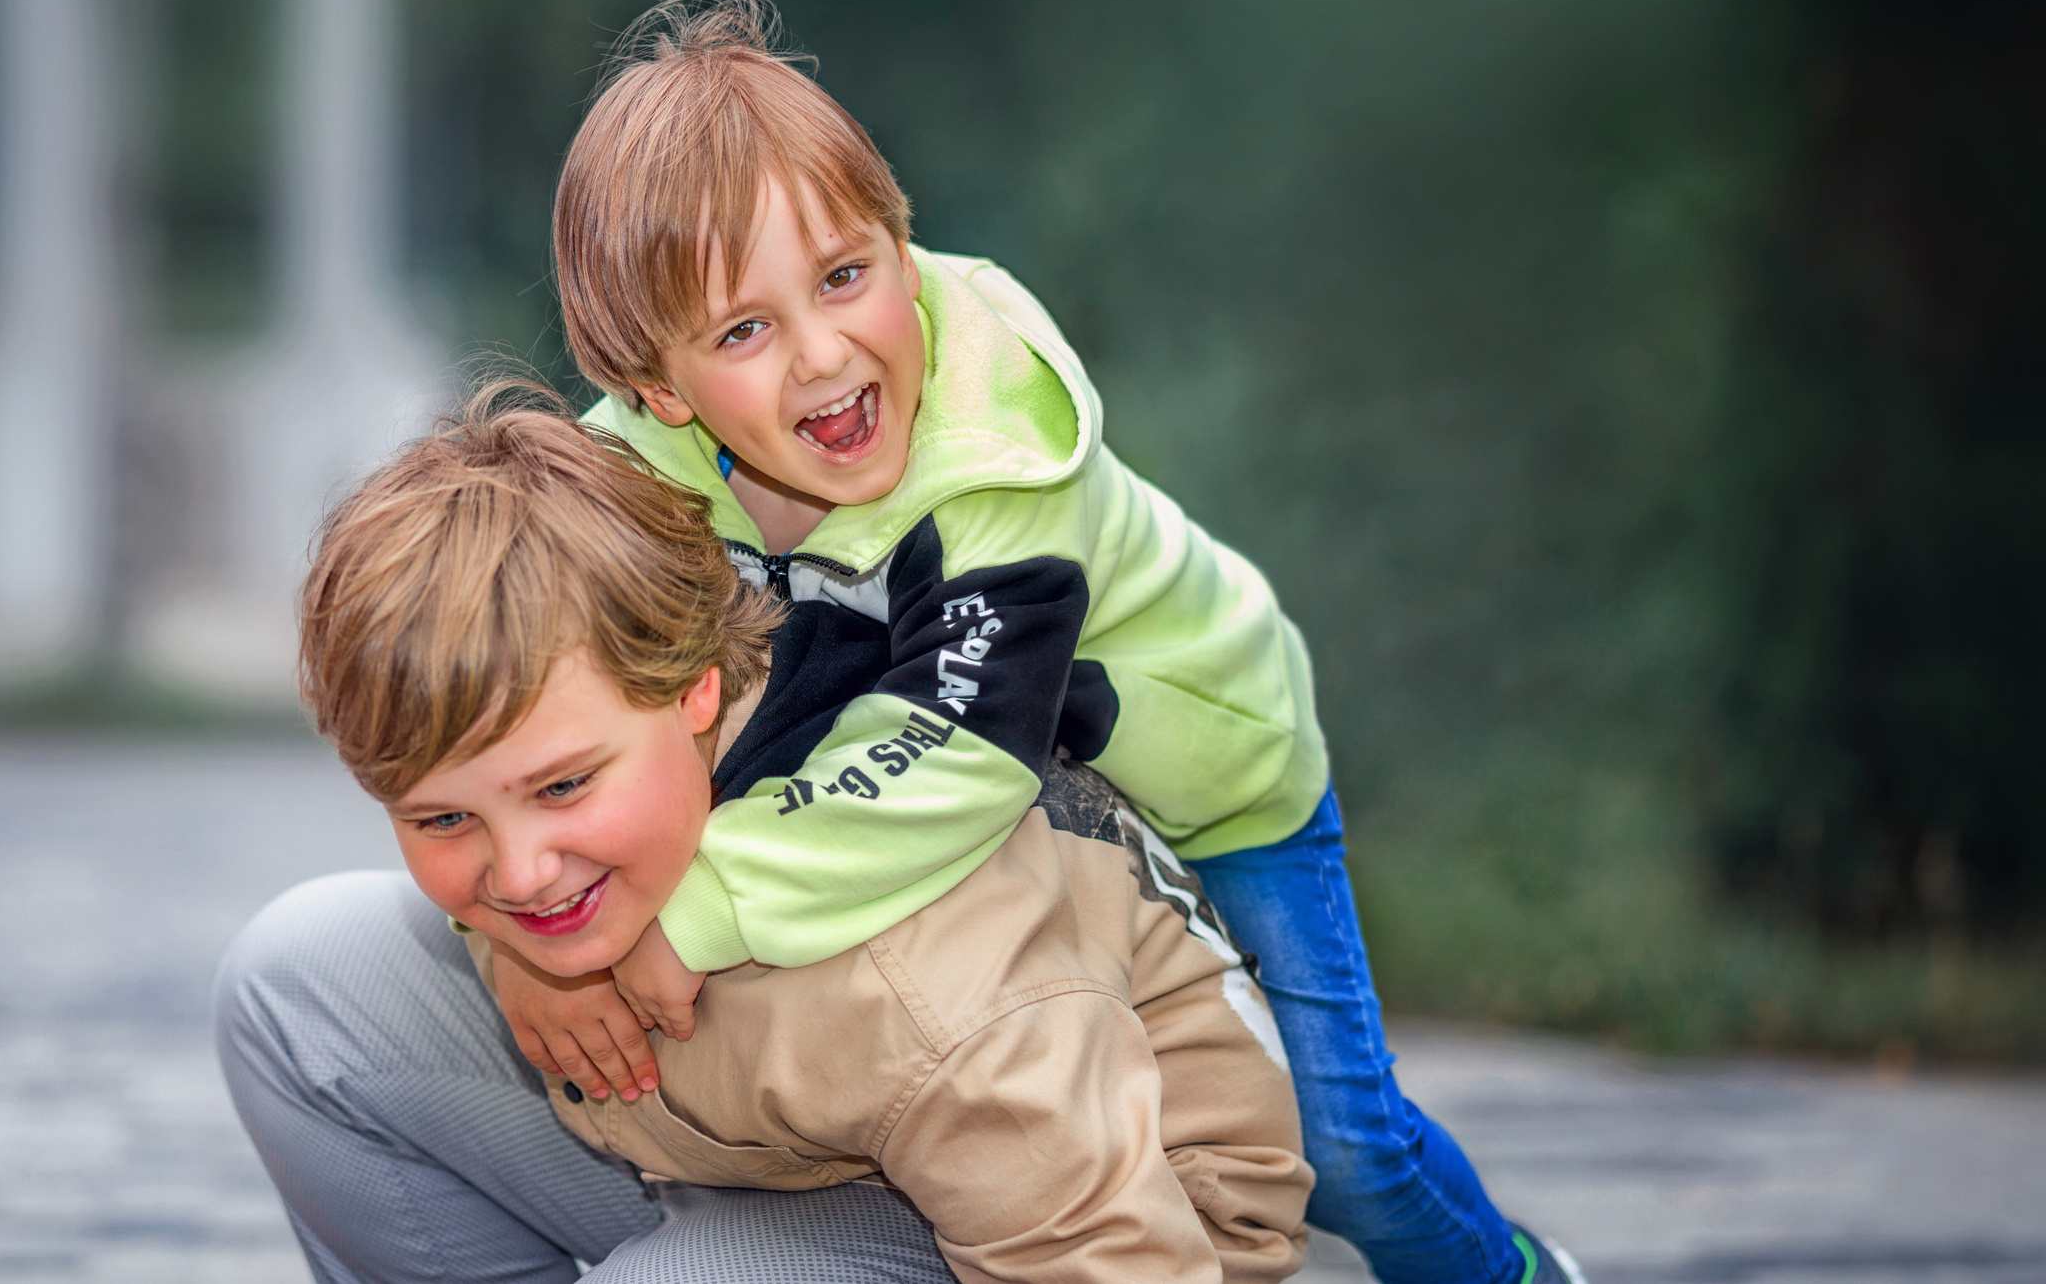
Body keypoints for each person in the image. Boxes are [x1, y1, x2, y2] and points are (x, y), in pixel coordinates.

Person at [511, 0, 1585, 1284]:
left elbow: (949, 758)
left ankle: (1510, 1271)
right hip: (1033, 806)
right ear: (655, 381)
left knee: (1341, 1139)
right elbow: (507, 717)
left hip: (1204, 773)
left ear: (901, 244)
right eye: (745, 327)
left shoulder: (1001, 469)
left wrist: (695, 907)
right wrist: (531, 945)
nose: (823, 351)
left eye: (848, 275)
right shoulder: (628, 476)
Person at [215, 390, 1315, 1284]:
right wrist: (520, 957)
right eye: (444, 817)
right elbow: (514, 866)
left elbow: (1117, 1258)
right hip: (765, 1145)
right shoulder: (618, 736)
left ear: (696, 693)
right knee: (299, 976)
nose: (519, 869)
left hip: (1086, 1224)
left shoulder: (922, 984)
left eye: (562, 788)